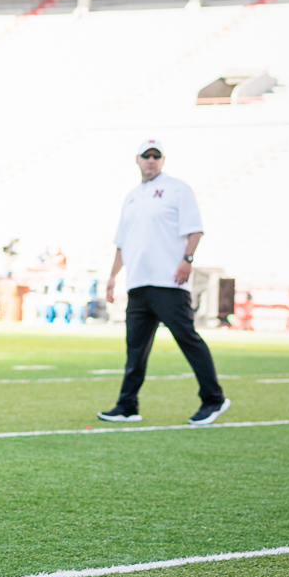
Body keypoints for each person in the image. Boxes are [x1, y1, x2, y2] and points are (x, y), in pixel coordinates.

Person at [97, 140, 230, 427]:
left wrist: (187, 259)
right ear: (137, 159)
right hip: (138, 283)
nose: (151, 160)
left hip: (168, 282)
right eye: (147, 155)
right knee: (135, 349)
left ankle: (213, 399)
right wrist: (112, 276)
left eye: (157, 156)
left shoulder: (177, 189)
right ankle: (127, 405)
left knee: (187, 339)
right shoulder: (132, 196)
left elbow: (195, 230)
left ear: (163, 160)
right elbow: (122, 243)